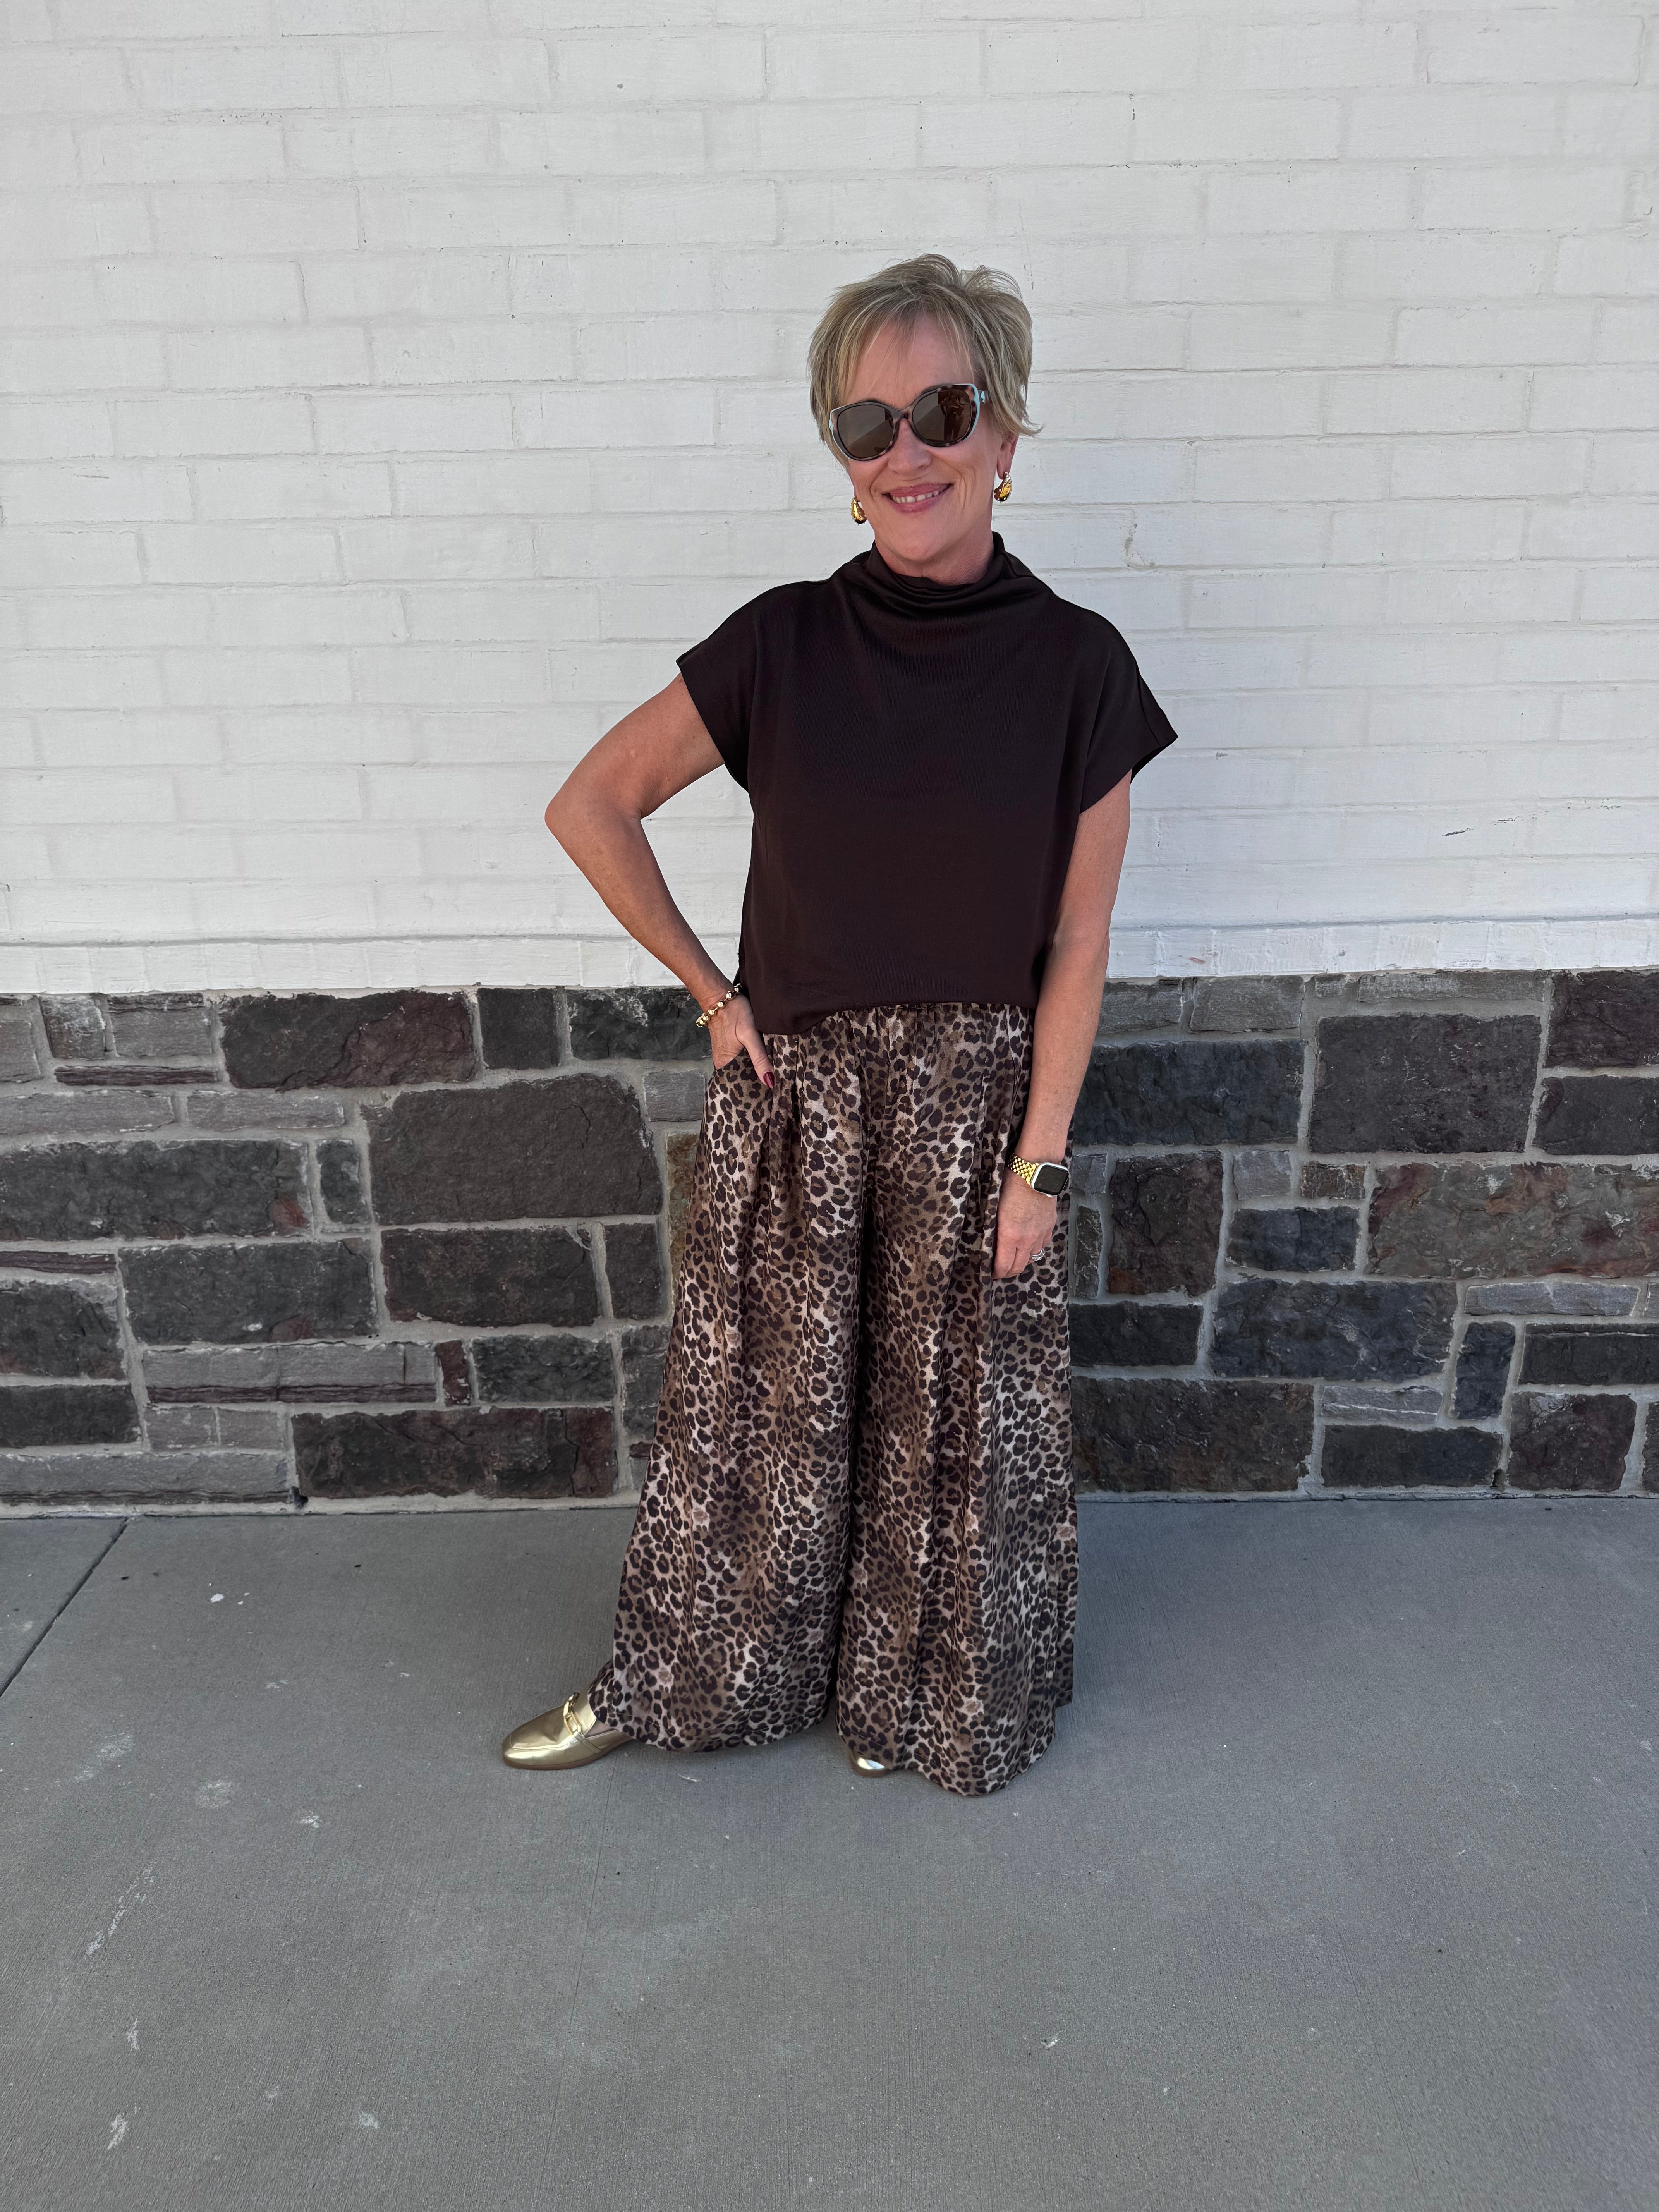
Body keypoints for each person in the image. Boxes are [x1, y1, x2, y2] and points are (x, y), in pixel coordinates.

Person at [502, 252, 1178, 1797]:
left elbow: (1079, 941)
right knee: (753, 1421)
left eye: (942, 411)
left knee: (954, 1433)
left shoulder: (1078, 666)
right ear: (843, 458)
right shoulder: (782, 643)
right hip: (802, 1102)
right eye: (867, 425)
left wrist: (1041, 1162)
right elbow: (591, 803)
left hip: (977, 1111)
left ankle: (918, 1700)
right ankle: (685, 1678)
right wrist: (715, 996)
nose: (906, 452)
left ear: (1004, 434)